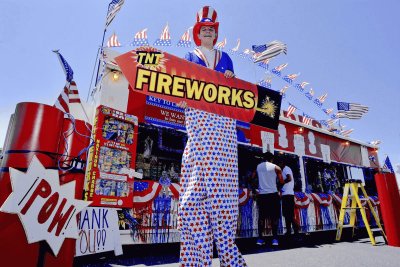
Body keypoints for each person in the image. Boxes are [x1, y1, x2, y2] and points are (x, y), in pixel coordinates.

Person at [177, 6, 247, 267]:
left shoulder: (225, 57)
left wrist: (230, 78)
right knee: (194, 191)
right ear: (198, 33)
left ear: (215, 34)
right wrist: (182, 99)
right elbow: (181, 84)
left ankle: (229, 257)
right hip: (198, 121)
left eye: (211, 29)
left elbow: (235, 90)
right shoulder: (189, 55)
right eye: (204, 29)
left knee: (224, 191)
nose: (208, 32)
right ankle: (197, 260)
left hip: (222, 124)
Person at [254, 152, 284, 246]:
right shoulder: (276, 167)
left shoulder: (258, 167)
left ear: (263, 158)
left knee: (262, 217)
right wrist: (277, 188)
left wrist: (256, 189)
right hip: (273, 194)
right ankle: (274, 239)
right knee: (274, 217)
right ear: (272, 159)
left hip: (262, 195)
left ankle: (260, 238)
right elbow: (282, 181)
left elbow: (251, 178)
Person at [277, 159, 299, 236]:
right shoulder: (283, 170)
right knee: (286, 214)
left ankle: (296, 229)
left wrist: (281, 183)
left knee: (289, 214)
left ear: (283, 163)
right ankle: (289, 230)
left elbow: (289, 178)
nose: (278, 165)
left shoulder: (286, 169)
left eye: (280, 163)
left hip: (288, 195)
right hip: (285, 194)